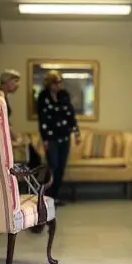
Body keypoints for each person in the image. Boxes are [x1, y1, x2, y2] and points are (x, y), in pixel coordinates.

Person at [36, 70, 81, 205]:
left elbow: (70, 115)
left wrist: (76, 133)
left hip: (64, 136)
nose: (58, 86)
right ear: (50, 84)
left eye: (60, 82)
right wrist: (44, 139)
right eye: (56, 83)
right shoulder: (43, 97)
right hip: (51, 138)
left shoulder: (64, 95)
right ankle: (46, 196)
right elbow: (42, 119)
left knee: (61, 167)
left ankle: (55, 196)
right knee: (53, 165)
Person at [0, 70, 20, 141]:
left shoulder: (3, 94)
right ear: (7, 81)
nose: (17, 85)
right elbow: (1, 118)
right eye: (15, 81)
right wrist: (13, 135)